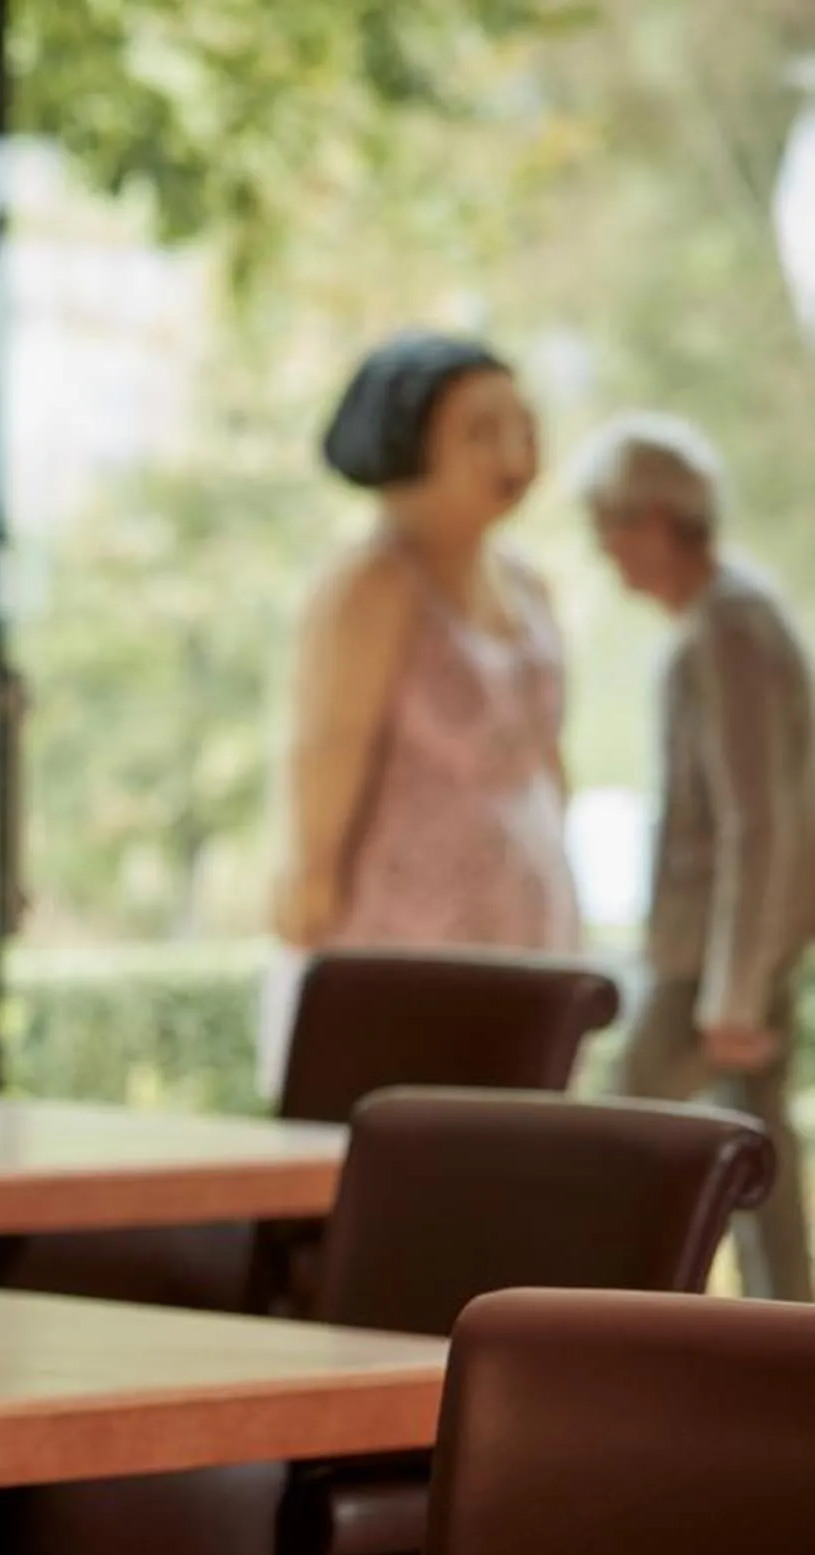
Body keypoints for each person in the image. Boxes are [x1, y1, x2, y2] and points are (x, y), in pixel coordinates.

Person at [265, 333, 580, 1088]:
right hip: (404, 934)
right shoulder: (372, 584)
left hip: (528, 930)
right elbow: (329, 743)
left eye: (522, 427)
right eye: (480, 432)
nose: (512, 454)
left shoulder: (529, 585)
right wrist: (311, 879)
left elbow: (548, 749)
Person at [574, 414, 815, 1301]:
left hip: (713, 962)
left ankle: (602, 1330)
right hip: (723, 954)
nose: (604, 548)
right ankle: (786, 1346)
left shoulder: (732, 627)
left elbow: (764, 818)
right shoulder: (724, 620)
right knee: (761, 1163)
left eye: (610, 523)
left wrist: (735, 989)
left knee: (617, 1138)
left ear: (657, 519)